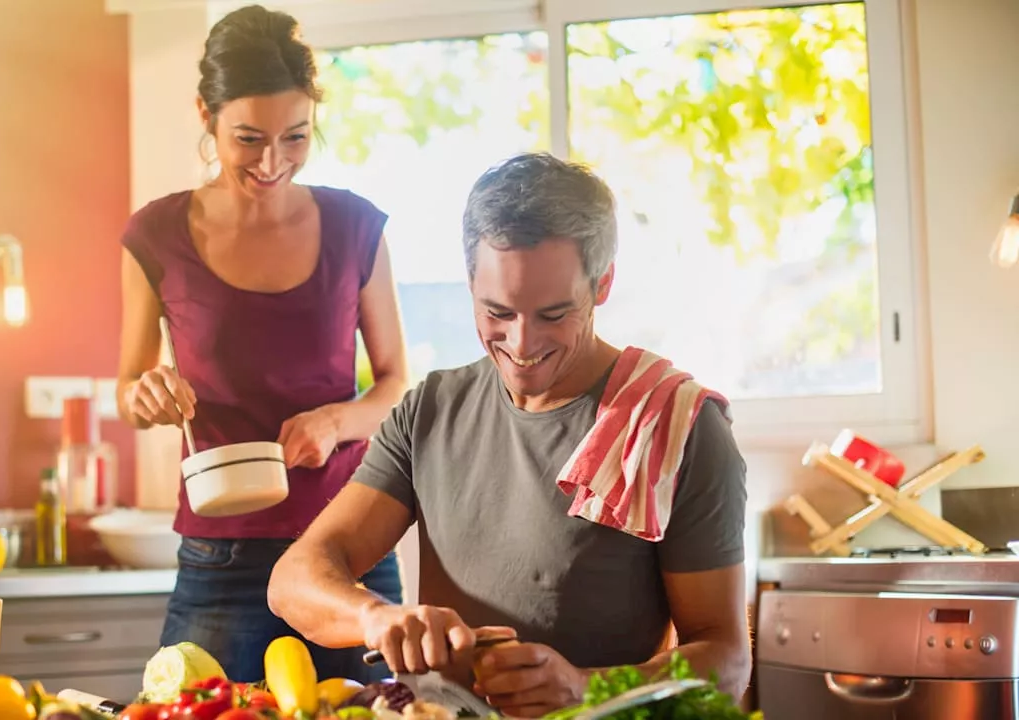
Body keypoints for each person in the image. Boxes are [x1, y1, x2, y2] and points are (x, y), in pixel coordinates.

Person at [268, 153, 752, 716]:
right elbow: (294, 579)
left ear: (603, 283)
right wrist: (376, 618)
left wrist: (584, 685)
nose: (521, 345)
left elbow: (727, 661)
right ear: (470, 281)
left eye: (553, 314)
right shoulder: (429, 410)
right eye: (497, 311)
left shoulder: (679, 427)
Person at [116, 4, 410, 683]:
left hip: (348, 546)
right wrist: (148, 391)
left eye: (296, 136)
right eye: (249, 138)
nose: (273, 162)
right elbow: (128, 393)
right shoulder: (154, 237)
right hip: (220, 555)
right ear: (205, 115)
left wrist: (336, 420)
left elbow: (395, 382)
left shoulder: (355, 227)